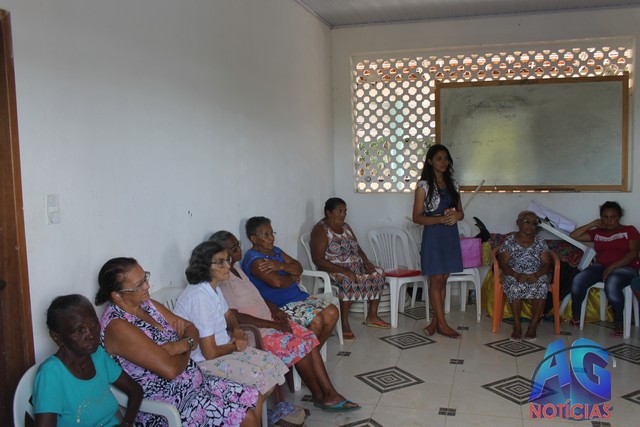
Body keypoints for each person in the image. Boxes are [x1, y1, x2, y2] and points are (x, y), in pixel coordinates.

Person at [96, 257, 262, 427]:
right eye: (138, 285)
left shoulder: (146, 305)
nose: (147, 286)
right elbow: (171, 370)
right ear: (117, 295)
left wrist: (179, 345)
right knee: (246, 418)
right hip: (168, 405)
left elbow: (191, 328)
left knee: (254, 398)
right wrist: (186, 344)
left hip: (195, 384)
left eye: (145, 278)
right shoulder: (117, 327)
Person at [211, 230, 361, 412]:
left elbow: (258, 296)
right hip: (255, 331)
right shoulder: (224, 280)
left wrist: (273, 309)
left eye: (238, 245)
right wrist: (273, 324)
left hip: (268, 320)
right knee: (299, 344)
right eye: (232, 248)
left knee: (309, 338)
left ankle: (328, 393)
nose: (238, 250)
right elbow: (235, 316)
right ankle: (321, 394)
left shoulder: (237, 270)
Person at [172, 240, 288, 396]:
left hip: (224, 348)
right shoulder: (199, 297)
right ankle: (252, 410)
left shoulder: (213, 288)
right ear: (205, 266)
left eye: (227, 260)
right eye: (220, 262)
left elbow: (229, 315)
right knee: (260, 377)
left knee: (273, 363)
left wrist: (237, 330)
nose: (227, 265)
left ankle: (265, 409)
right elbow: (210, 353)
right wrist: (235, 345)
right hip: (203, 361)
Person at [33, 294, 142, 427]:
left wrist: (127, 423)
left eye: (94, 324)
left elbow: (135, 390)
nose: (91, 335)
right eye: (80, 330)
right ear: (57, 338)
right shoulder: (51, 375)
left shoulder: (98, 355)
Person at [241, 216, 339, 347]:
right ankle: (308, 355)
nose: (271, 238)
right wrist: (292, 275)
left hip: (297, 297)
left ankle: (313, 352)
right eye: (266, 235)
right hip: (279, 304)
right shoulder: (255, 260)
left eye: (272, 233)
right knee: (317, 320)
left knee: (333, 312)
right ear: (254, 238)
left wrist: (281, 266)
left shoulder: (275, 251)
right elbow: (278, 283)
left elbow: (298, 267)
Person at [309, 197, 389, 339]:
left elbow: (357, 248)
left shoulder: (346, 227)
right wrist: (344, 270)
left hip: (354, 266)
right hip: (333, 269)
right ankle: (344, 323)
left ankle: (372, 316)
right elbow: (318, 259)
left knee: (379, 273)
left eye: (345, 211)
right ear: (328, 213)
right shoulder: (321, 230)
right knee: (348, 279)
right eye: (339, 211)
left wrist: (366, 263)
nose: (343, 214)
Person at [411, 144, 464, 339]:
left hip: (450, 235)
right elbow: (417, 217)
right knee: (436, 279)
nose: (443, 162)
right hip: (433, 236)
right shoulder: (423, 186)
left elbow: (461, 212)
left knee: (444, 279)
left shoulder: (454, 185)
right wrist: (440, 219)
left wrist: (456, 216)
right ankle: (442, 324)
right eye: (439, 158)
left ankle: (435, 322)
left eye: (446, 158)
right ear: (430, 161)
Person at [569, 201, 640, 336]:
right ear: (601, 218)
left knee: (612, 283)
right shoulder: (597, 232)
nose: (609, 221)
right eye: (605, 217)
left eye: (613, 217)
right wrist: (592, 224)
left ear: (619, 217)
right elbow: (574, 235)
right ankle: (576, 315)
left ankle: (619, 322)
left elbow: (633, 254)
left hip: (626, 268)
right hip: (601, 266)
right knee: (578, 279)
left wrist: (611, 267)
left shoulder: (630, 230)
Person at [497, 211, 552, 341]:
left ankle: (533, 326)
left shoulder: (540, 241)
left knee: (542, 285)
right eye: (527, 222)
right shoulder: (509, 241)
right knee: (514, 287)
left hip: (536, 273)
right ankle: (517, 326)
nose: (531, 226)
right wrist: (516, 275)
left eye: (534, 223)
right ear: (518, 223)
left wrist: (537, 274)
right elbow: (503, 264)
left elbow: (546, 263)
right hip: (513, 273)